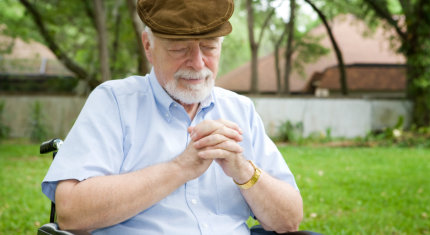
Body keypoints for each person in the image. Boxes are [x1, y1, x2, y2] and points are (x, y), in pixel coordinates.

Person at [42, 0, 304, 234]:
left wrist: (244, 170)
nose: (198, 63)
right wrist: (179, 168)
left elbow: (290, 221)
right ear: (148, 46)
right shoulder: (115, 102)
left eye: (209, 47)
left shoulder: (240, 108)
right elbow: (71, 213)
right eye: (180, 49)